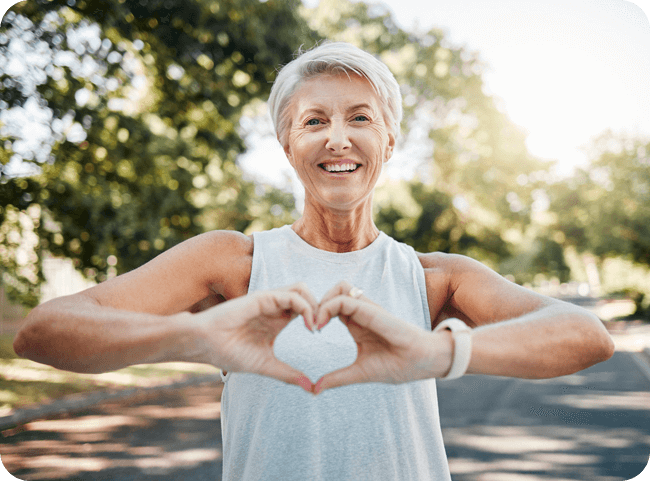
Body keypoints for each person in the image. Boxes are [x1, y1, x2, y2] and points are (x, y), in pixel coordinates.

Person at [13, 41, 615, 480]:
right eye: (314, 121)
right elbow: (44, 333)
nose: (338, 138)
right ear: (286, 144)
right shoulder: (233, 263)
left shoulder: (435, 278)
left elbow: (585, 335)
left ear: (388, 142)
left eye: (360, 118)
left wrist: (438, 351)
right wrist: (194, 337)